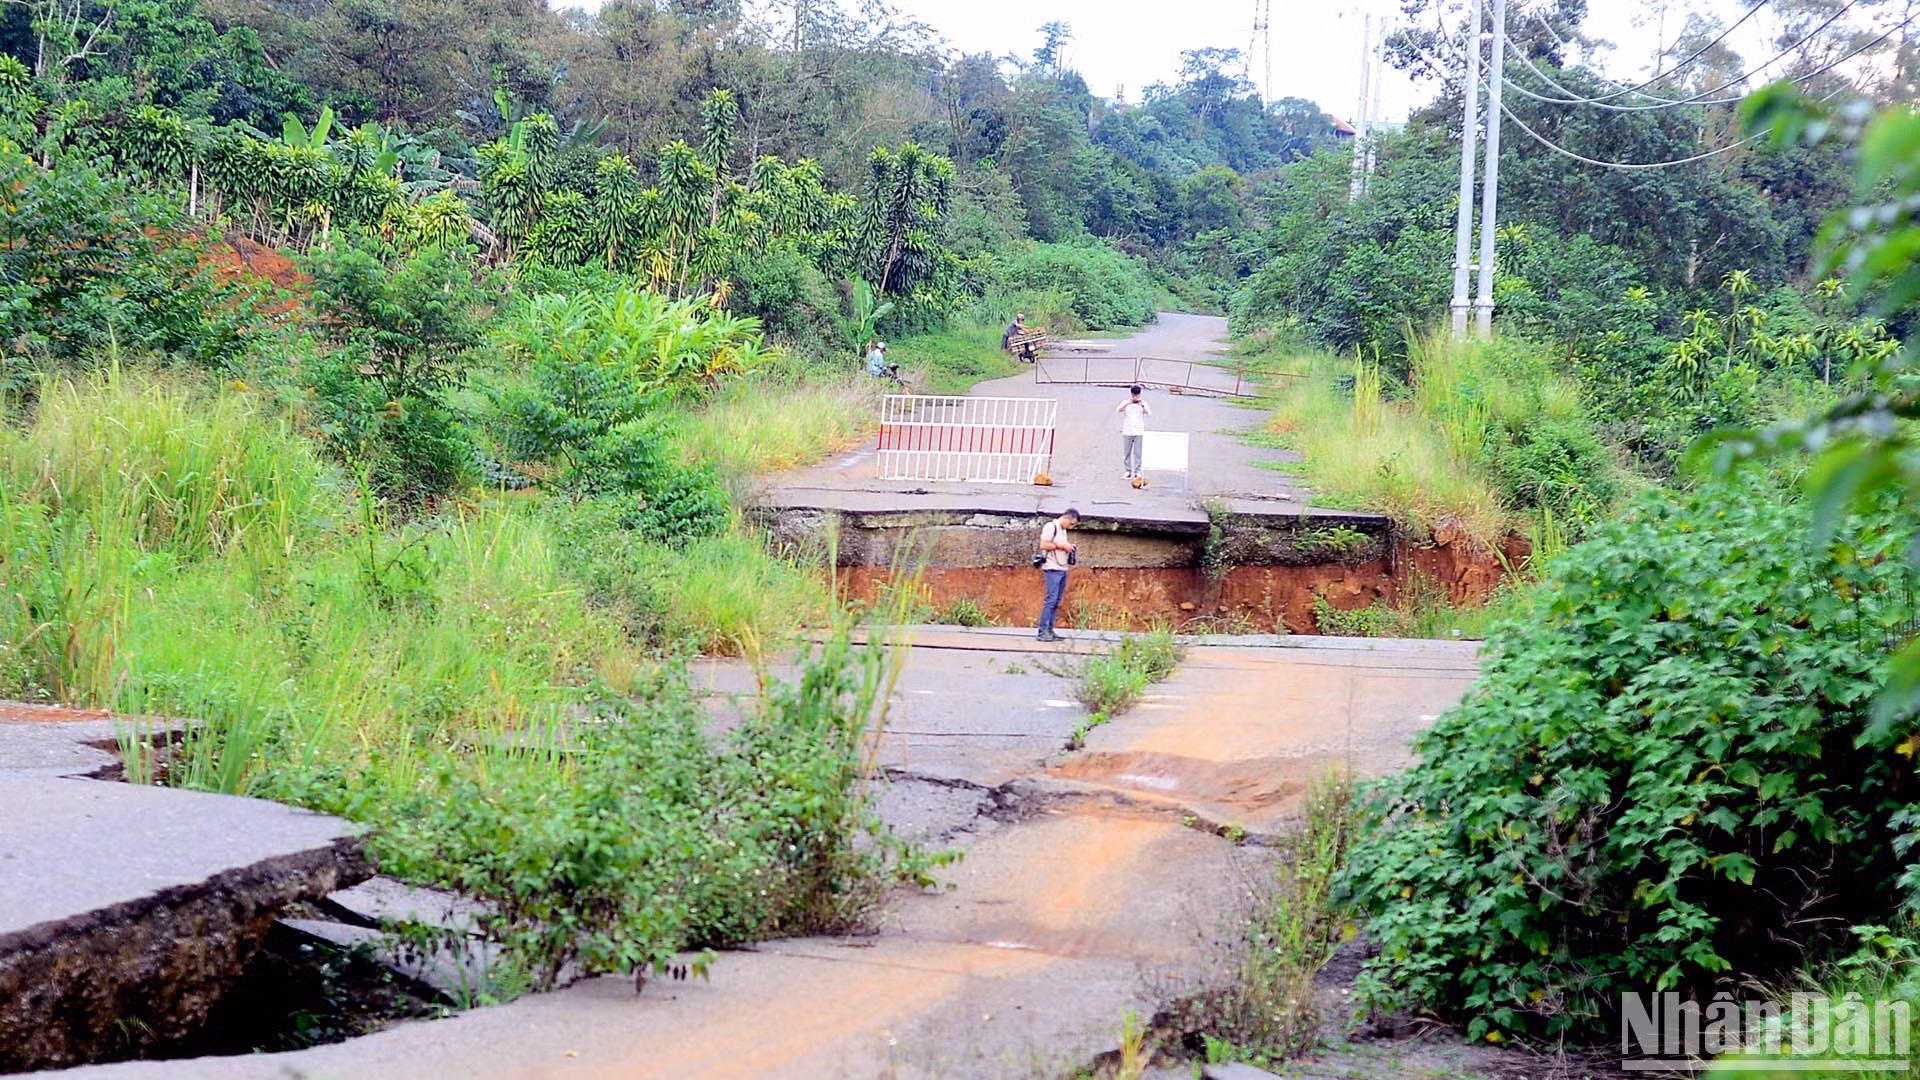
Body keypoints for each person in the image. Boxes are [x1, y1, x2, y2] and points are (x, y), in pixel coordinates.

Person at [1035, 507, 1079, 642]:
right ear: (1066, 518)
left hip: (1062, 568)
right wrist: (1062, 546)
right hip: (1052, 568)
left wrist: (1068, 547)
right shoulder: (1051, 526)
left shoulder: (1063, 531)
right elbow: (1044, 544)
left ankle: (1050, 629)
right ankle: (1043, 631)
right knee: (1051, 600)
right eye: (1071, 524)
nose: (1071, 527)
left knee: (1056, 601)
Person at [1116, 384, 1151, 480]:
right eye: (1134, 395)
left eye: (1137, 395)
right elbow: (1119, 410)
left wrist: (1142, 405)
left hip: (1138, 430)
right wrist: (1129, 402)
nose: (1136, 397)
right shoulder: (1126, 402)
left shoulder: (1143, 403)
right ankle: (1128, 471)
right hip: (1127, 430)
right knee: (1126, 452)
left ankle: (1137, 472)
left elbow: (1148, 413)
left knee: (1138, 453)